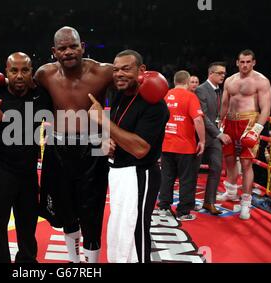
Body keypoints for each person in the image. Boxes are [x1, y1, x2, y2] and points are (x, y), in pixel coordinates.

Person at [34, 26, 113, 263]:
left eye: (73, 46)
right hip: (58, 150)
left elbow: (130, 92)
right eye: (63, 48)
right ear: (54, 52)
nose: (68, 52)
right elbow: (19, 88)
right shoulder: (44, 74)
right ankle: (74, 261)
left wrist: (112, 134)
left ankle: (90, 265)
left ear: (82, 47)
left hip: (93, 150)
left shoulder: (104, 72)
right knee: (65, 211)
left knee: (92, 212)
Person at [88, 49, 169, 263]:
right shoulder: (120, 95)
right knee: (119, 233)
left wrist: (103, 121)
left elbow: (140, 149)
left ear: (141, 70)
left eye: (126, 69)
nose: (119, 74)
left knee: (135, 233)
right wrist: (106, 141)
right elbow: (116, 130)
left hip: (140, 175)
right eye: (115, 70)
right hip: (119, 173)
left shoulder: (155, 104)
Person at [0, 52, 52, 263]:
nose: (19, 75)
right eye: (14, 70)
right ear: (6, 72)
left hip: (27, 172)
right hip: (0, 171)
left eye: (24, 70)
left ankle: (26, 263)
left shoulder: (41, 95)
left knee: (28, 224)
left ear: (31, 73)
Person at [219, 49, 271, 220]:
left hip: (248, 122)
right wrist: (220, 122)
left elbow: (265, 109)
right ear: (237, 62)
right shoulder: (230, 80)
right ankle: (231, 191)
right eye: (242, 62)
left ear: (254, 62)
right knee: (228, 159)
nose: (245, 65)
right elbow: (225, 103)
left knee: (246, 163)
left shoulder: (261, 81)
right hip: (229, 122)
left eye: (248, 62)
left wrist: (256, 130)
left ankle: (245, 203)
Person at [158, 70, 205, 221]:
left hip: (166, 145)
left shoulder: (164, 96)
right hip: (185, 146)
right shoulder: (190, 96)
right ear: (187, 81)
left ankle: (164, 207)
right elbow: (198, 120)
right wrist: (202, 141)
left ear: (174, 81)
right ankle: (183, 212)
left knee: (167, 176)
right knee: (187, 179)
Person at [194, 62, 231, 215]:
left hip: (214, 136)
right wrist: (219, 133)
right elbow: (202, 116)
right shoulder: (201, 90)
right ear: (211, 74)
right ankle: (188, 202)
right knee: (193, 170)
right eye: (220, 73)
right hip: (201, 136)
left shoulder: (218, 91)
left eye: (224, 73)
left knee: (216, 168)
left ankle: (209, 202)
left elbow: (216, 115)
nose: (223, 75)